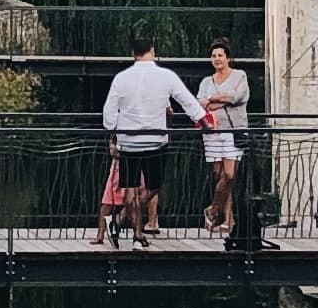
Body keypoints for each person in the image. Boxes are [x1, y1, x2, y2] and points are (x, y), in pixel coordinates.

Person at [100, 35, 202, 242]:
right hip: (156, 140)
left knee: (129, 189)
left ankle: (133, 230)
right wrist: (202, 118)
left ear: (133, 54)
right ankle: (128, 225)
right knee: (154, 185)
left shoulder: (121, 78)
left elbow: (109, 109)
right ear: (152, 51)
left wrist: (112, 129)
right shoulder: (166, 76)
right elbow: (185, 99)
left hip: (129, 141)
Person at [198, 40, 250, 243]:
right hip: (212, 131)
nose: (217, 59)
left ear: (227, 57)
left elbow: (238, 97)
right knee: (218, 174)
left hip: (233, 130)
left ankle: (213, 209)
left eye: (220, 55)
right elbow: (202, 102)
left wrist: (215, 99)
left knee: (229, 174)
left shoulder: (240, 76)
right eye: (213, 56)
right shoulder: (206, 81)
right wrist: (221, 99)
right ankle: (227, 219)